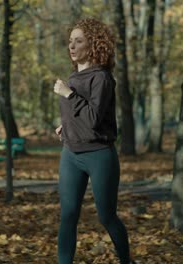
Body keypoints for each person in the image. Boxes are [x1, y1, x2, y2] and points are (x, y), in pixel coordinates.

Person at [53, 18, 135, 264]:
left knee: (107, 216)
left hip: (99, 155)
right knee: (68, 215)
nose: (72, 46)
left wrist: (68, 94)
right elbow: (78, 115)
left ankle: (127, 261)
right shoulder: (74, 76)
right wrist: (65, 126)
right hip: (71, 154)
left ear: (93, 45)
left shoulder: (101, 78)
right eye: (70, 42)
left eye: (79, 41)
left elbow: (92, 117)